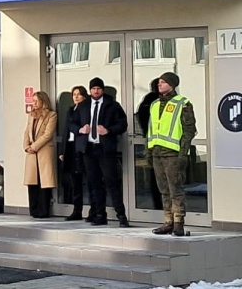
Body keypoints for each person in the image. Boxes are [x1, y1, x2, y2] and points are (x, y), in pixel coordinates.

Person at [72, 77, 130, 227]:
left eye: (98, 88)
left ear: (102, 90)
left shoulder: (112, 105)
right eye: (93, 89)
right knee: (94, 183)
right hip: (89, 149)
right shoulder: (83, 106)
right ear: (90, 90)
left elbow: (123, 124)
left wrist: (109, 130)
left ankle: (121, 215)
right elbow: (72, 123)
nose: (96, 91)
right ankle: (99, 214)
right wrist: (80, 130)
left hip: (105, 149)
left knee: (111, 182)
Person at [147, 72, 197, 237]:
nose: (159, 84)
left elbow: (189, 131)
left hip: (173, 154)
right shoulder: (154, 104)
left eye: (163, 82)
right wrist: (149, 152)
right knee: (164, 189)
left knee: (176, 189)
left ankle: (178, 223)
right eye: (158, 82)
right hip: (157, 153)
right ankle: (168, 221)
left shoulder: (183, 104)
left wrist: (183, 154)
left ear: (172, 84)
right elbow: (151, 130)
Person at [24, 91, 57, 218]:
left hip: (43, 151)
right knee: (32, 182)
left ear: (43, 101)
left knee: (44, 181)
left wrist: (34, 146)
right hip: (32, 153)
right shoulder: (31, 115)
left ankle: (43, 211)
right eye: (33, 101)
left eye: (36, 101)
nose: (34, 104)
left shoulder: (51, 115)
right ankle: (33, 209)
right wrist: (26, 147)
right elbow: (26, 132)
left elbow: (48, 134)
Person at [58, 86, 89, 221]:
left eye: (79, 94)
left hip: (81, 147)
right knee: (74, 180)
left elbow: (81, 128)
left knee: (87, 180)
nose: (76, 97)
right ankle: (77, 210)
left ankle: (93, 210)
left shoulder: (86, 109)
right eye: (74, 94)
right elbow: (66, 131)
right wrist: (62, 150)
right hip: (70, 147)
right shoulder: (71, 110)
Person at [137, 77, 164, 211]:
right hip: (157, 145)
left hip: (154, 143)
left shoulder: (147, 101)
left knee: (157, 178)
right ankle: (163, 209)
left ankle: (159, 207)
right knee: (160, 178)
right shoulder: (152, 102)